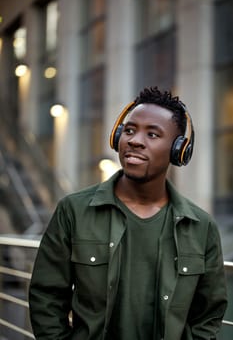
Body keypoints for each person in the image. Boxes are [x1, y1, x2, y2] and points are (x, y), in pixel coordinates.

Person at [29, 86, 227, 340]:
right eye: (130, 130)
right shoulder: (73, 210)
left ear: (178, 150)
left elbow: (208, 315)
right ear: (117, 137)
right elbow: (46, 297)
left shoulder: (201, 226)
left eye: (153, 134)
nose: (134, 140)